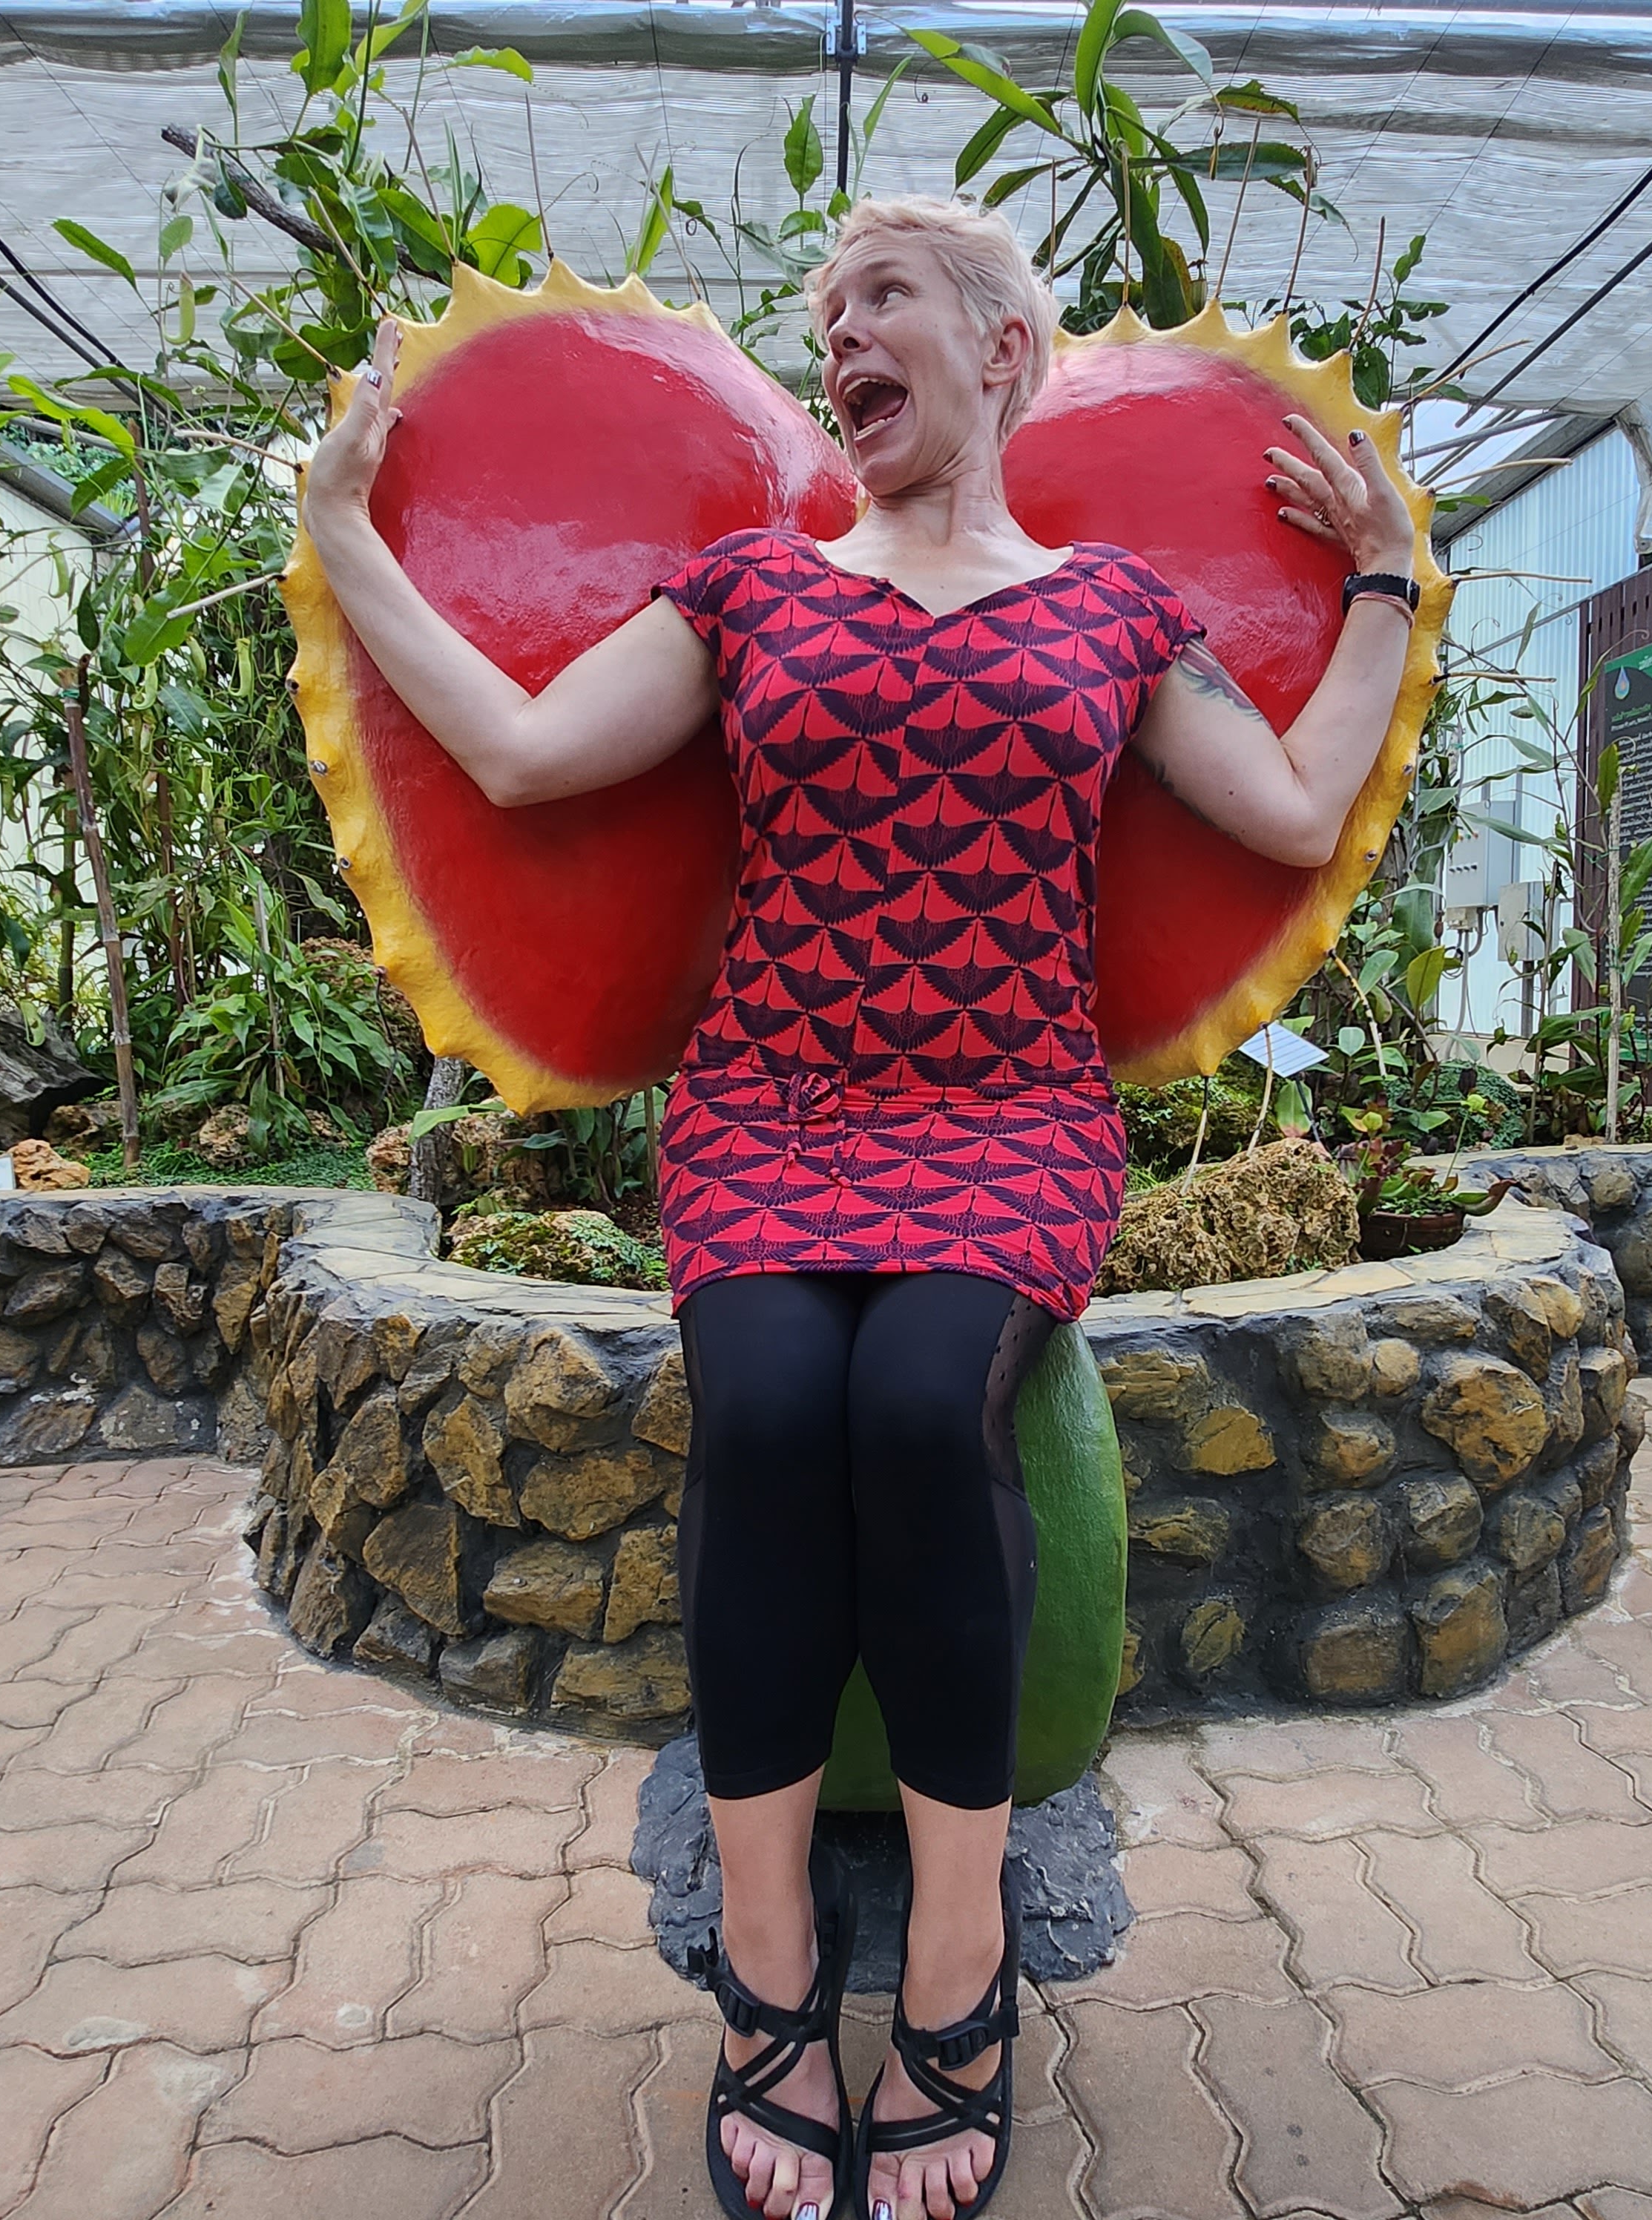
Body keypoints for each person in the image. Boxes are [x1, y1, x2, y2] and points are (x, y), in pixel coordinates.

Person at [304, 194, 1417, 2220]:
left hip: (1003, 1117)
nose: (840, 343)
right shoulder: (748, 591)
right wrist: (351, 536)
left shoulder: (1106, 616)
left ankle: (965, 1969)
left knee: (917, 1409)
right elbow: (533, 755)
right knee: (763, 1405)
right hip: (770, 1110)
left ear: (1004, 348)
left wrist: (1388, 590)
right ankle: (767, 1978)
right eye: (826, 319)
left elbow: (1289, 806)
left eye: (880, 301)